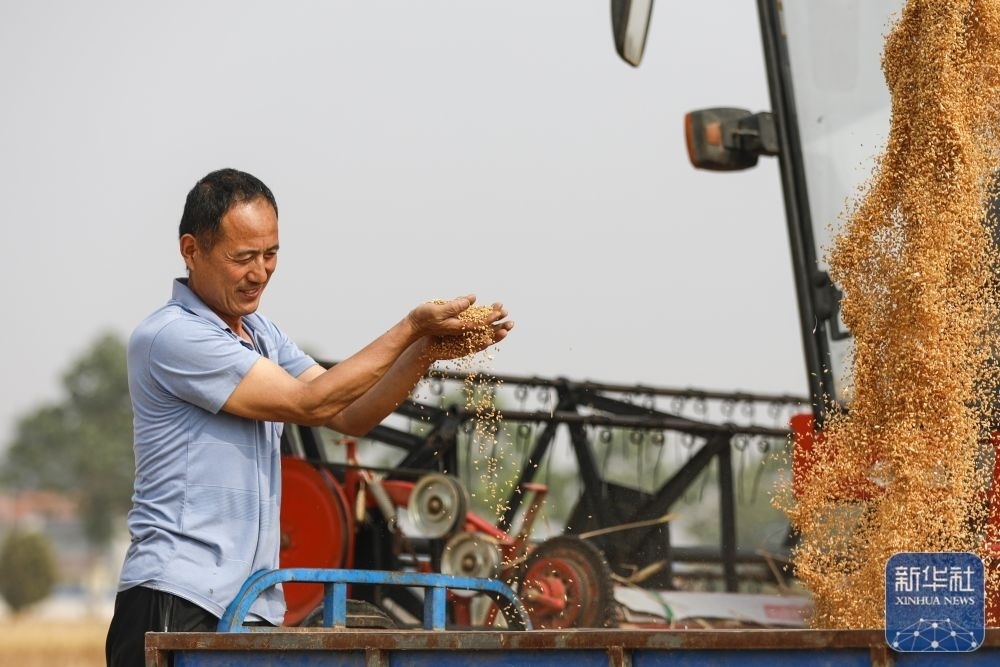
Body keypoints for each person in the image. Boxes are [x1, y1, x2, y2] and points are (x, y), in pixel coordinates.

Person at [105, 167, 513, 666]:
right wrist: (410, 328)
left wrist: (425, 351)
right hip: (178, 596)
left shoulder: (261, 334)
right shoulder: (173, 336)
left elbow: (350, 414)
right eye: (243, 257)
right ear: (191, 250)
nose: (260, 272)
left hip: (250, 602)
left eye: (271, 254)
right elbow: (311, 403)